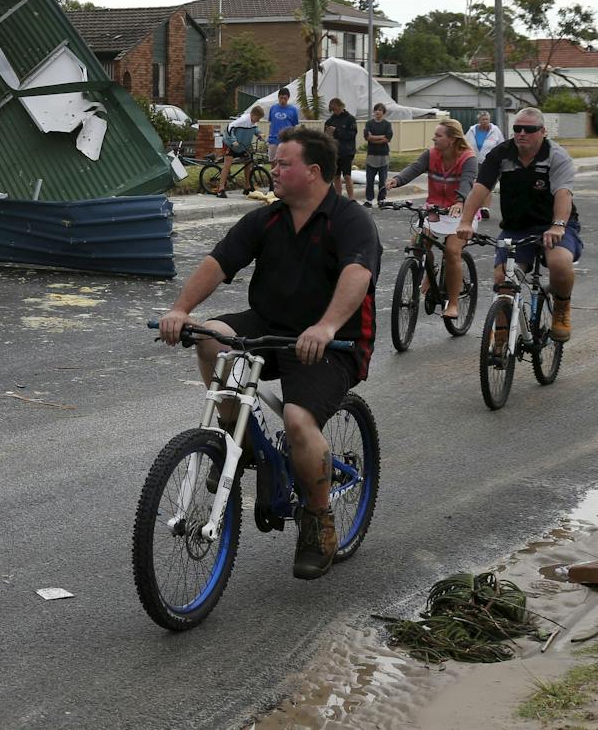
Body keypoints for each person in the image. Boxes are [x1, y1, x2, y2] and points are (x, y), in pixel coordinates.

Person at [157, 126, 380, 581]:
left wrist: (326, 325)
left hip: (332, 342)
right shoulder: (270, 218)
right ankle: (233, 437)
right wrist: (182, 309)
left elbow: (356, 275)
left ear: (313, 172)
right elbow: (219, 262)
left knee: (299, 422)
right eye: (274, 163)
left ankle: (318, 522)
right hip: (270, 325)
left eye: (283, 163)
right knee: (207, 335)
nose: (273, 170)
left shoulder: (350, 220)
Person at [457, 108, 582, 343]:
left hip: (554, 224)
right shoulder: (502, 154)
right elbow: (480, 188)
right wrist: (465, 222)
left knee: (559, 263)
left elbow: (563, 194)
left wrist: (557, 226)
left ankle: (562, 307)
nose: (521, 133)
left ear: (543, 132)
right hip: (517, 227)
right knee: (503, 279)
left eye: (529, 129)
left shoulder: (556, 156)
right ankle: (502, 339)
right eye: (517, 128)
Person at [383, 118, 479, 320]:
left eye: (438, 135)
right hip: (435, 209)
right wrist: (397, 180)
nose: (434, 138)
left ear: (451, 139)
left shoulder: (468, 158)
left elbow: (467, 182)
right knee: (418, 243)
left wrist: (460, 201)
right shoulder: (432, 154)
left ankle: (452, 303)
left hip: (460, 212)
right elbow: (414, 168)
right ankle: (431, 270)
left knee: (452, 252)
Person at [214, 105, 266, 197]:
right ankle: (220, 189)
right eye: (258, 118)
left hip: (242, 146)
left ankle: (247, 186)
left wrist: (259, 134)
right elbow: (229, 128)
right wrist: (233, 140)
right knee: (227, 164)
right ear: (253, 115)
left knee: (248, 162)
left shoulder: (253, 122)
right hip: (230, 144)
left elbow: (255, 129)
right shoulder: (243, 120)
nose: (258, 120)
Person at [323, 98, 358, 200]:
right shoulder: (330, 121)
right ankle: (339, 198)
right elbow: (325, 137)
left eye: (336, 109)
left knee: (347, 176)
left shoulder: (350, 119)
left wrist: (336, 131)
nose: (335, 112)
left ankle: (351, 198)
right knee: (336, 176)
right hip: (334, 152)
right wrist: (328, 134)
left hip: (347, 152)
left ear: (341, 106)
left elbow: (352, 134)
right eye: (333, 110)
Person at [362, 103, 393, 206]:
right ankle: (369, 200)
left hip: (383, 156)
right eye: (376, 110)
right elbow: (367, 137)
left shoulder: (387, 124)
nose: (377, 112)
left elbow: (387, 138)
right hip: (371, 155)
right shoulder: (369, 123)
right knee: (369, 180)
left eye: (380, 110)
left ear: (383, 113)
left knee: (382, 180)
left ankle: (381, 199)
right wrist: (381, 137)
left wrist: (373, 138)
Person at [266, 87, 300, 162]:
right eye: (281, 98)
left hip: (286, 140)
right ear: (278, 97)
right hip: (273, 140)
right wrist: (269, 137)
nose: (283, 100)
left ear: (288, 98)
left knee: (286, 162)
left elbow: (294, 127)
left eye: (285, 98)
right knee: (273, 163)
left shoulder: (293, 110)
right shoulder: (273, 108)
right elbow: (271, 124)